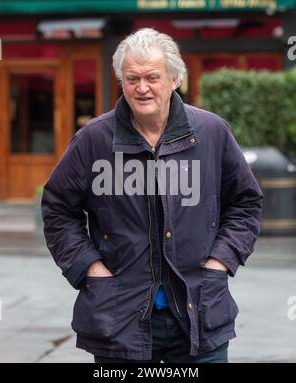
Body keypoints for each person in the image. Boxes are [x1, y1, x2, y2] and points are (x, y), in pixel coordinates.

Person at [42, 28, 263, 363]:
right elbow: (58, 210)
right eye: (131, 78)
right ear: (121, 80)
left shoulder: (212, 133)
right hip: (119, 318)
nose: (141, 88)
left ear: (174, 79)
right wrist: (89, 266)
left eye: (152, 77)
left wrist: (220, 261)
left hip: (199, 313)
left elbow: (246, 202)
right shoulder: (93, 140)